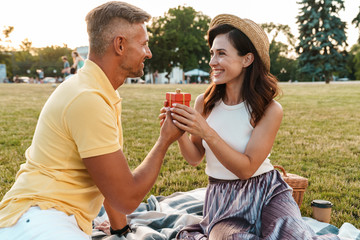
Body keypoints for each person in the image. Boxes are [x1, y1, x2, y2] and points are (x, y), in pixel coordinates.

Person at [0, 2, 182, 240]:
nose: (148, 52)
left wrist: (121, 231)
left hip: (48, 216)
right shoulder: (88, 99)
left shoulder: (98, 91)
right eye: (144, 44)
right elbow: (126, 198)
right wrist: (164, 141)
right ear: (120, 45)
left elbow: (107, 178)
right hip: (39, 218)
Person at [161, 14, 339, 239]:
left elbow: (246, 170)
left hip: (268, 192)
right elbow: (195, 158)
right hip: (223, 197)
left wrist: (206, 131)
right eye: (212, 54)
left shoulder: (269, 109)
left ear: (247, 60)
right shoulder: (204, 103)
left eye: (221, 54)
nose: (212, 61)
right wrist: (179, 133)